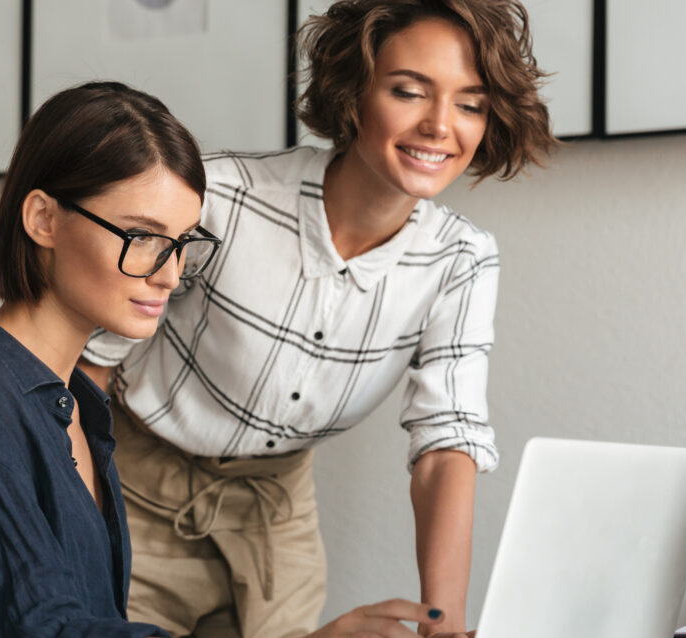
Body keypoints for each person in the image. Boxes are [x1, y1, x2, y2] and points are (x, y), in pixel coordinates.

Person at [0, 81, 468, 638]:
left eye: (181, 244)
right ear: (43, 218)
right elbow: (39, 630)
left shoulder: (77, 409)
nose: (170, 274)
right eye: (141, 236)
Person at [78, 1, 559, 636]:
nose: (440, 125)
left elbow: (447, 444)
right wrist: (75, 525)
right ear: (355, 92)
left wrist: (444, 623)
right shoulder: (223, 199)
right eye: (409, 91)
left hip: (277, 519)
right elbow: (86, 368)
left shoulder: (461, 261)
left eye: (470, 103)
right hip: (130, 487)